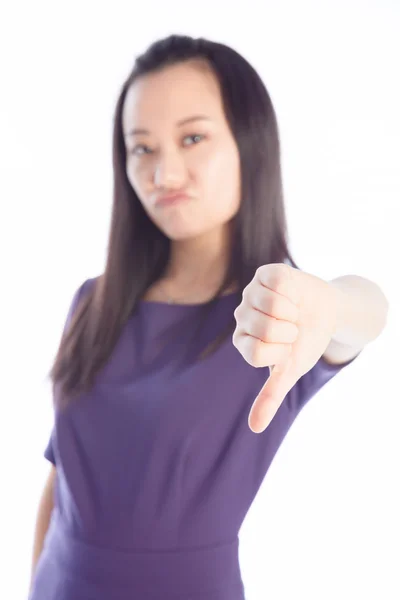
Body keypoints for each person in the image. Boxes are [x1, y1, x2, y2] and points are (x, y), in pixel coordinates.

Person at [28, 34, 388, 600]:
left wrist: (331, 301)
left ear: (250, 143)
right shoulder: (93, 302)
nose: (163, 174)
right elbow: (61, 481)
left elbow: (364, 312)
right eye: (141, 147)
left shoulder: (273, 318)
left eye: (192, 137)